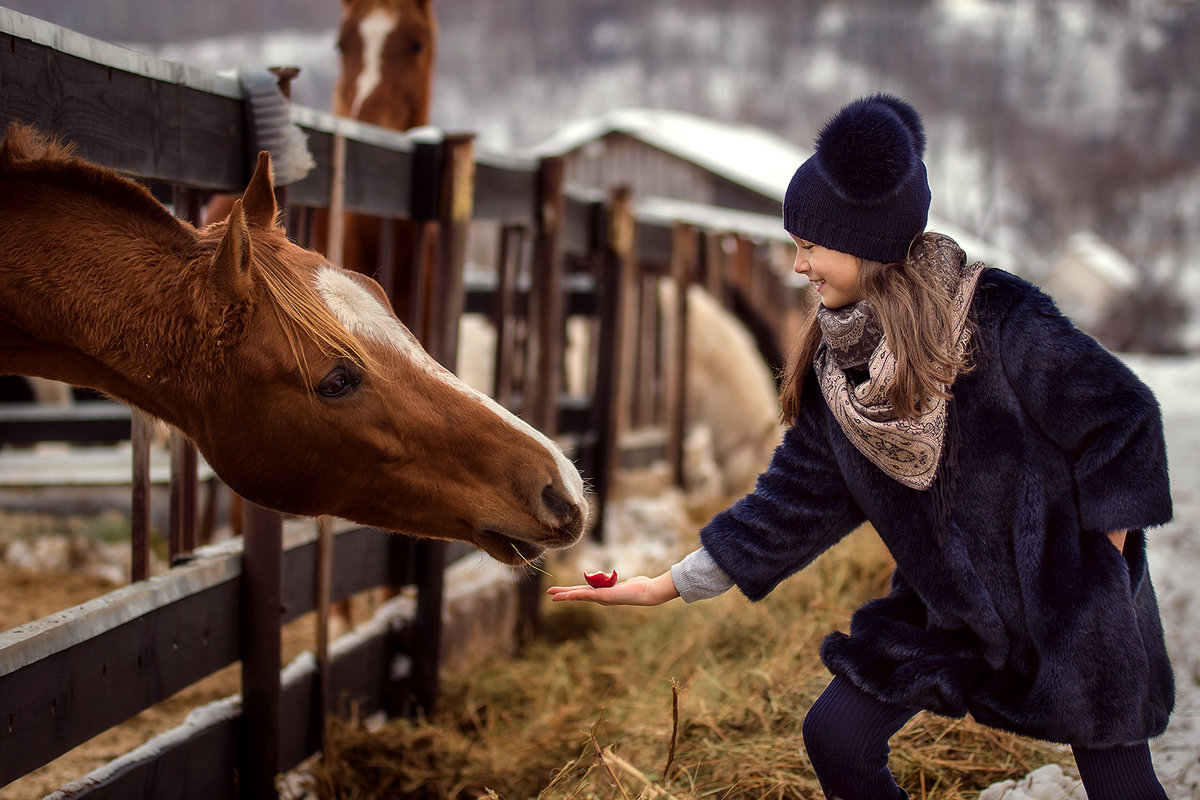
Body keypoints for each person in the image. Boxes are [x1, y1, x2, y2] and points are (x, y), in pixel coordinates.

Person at [548, 94, 1175, 800]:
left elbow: (1124, 417)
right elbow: (786, 506)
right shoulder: (835, 377)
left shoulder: (1000, 319)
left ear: (863, 242)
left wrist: (1100, 566)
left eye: (808, 245)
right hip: (950, 611)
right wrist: (664, 585)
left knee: (1122, 786)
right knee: (836, 738)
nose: (795, 266)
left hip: (1067, 602)